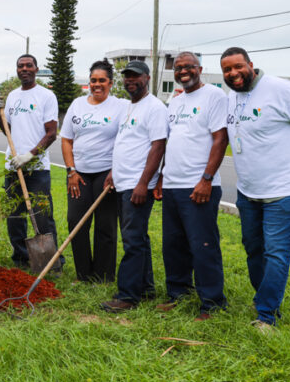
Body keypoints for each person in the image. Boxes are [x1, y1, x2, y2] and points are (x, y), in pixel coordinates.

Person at [220, 46, 290, 330]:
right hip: (249, 189)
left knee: (275, 252)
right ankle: (264, 298)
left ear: (250, 64)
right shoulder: (232, 97)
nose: (233, 73)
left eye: (237, 66)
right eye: (227, 70)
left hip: (285, 188)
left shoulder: (280, 89)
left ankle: (267, 316)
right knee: (253, 248)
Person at [153, 52, 228, 320]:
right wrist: (162, 175)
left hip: (199, 185)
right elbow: (171, 142)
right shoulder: (175, 102)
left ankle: (212, 302)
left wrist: (206, 179)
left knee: (203, 245)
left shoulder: (215, 97)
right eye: (178, 68)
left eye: (189, 67)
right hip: (173, 184)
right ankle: (178, 294)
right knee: (173, 245)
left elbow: (221, 139)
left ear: (200, 69)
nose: (183, 71)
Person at [101, 60, 168, 312]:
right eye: (127, 77)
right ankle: (146, 288)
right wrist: (113, 172)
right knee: (138, 237)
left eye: (136, 76)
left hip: (137, 185)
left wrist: (143, 183)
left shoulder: (154, 108)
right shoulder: (130, 107)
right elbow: (127, 143)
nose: (131, 80)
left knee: (132, 240)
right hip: (123, 181)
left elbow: (158, 146)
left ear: (148, 78)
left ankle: (127, 296)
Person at [60, 58, 127, 283]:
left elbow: (126, 140)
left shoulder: (120, 106)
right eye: (93, 81)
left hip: (106, 173)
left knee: (105, 224)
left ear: (110, 82)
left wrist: (115, 171)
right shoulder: (77, 105)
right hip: (78, 174)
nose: (97, 85)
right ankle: (83, 274)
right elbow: (67, 140)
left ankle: (104, 275)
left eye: (102, 81)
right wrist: (71, 171)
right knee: (76, 221)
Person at [0, 54, 61, 270]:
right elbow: (8, 131)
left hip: (37, 168)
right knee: (14, 217)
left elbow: (51, 133)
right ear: (17, 70)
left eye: (28, 65)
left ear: (36, 69)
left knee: (42, 216)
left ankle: (51, 262)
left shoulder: (46, 96)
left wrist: (30, 155)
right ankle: (21, 259)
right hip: (13, 166)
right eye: (20, 66)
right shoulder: (12, 96)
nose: (24, 69)